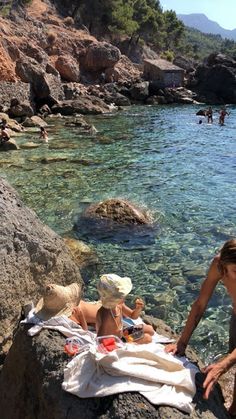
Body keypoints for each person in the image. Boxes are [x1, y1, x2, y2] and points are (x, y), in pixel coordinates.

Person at [165, 239, 236, 416]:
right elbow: (200, 304)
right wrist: (182, 343)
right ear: (223, 266)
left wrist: (223, 364)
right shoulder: (217, 264)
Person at [96, 273, 154, 344]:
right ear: (115, 298)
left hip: (123, 334)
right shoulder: (106, 314)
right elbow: (100, 339)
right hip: (116, 342)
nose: (125, 297)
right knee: (148, 338)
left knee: (150, 329)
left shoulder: (119, 305)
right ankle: (129, 343)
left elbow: (133, 316)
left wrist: (138, 309)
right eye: (122, 295)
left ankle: (128, 338)